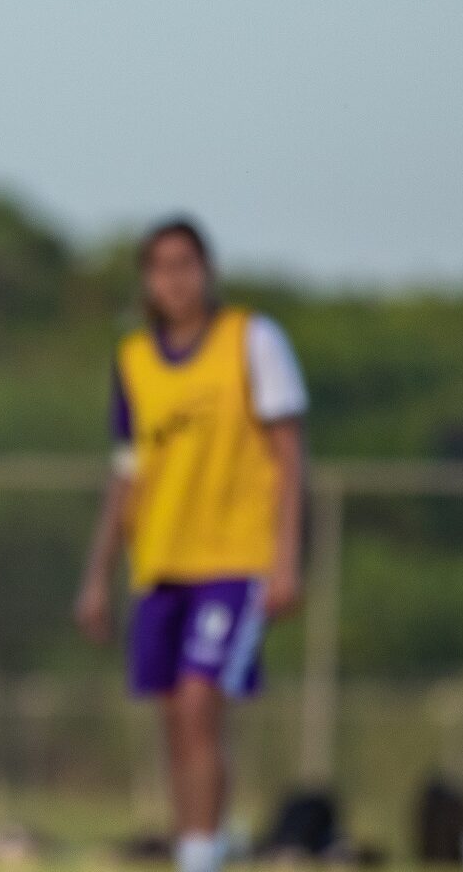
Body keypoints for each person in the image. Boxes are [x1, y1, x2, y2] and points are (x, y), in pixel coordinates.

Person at [74, 218, 308, 872]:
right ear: (147, 279)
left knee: (203, 701)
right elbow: (127, 472)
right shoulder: (135, 360)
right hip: (161, 562)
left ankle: (201, 854)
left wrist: (288, 558)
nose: (174, 279)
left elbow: (291, 458)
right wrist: (98, 574)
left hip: (236, 558)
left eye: (186, 264)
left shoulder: (251, 340)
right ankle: (195, 840)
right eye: (160, 266)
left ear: (207, 269)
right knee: (174, 716)